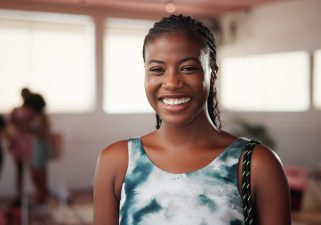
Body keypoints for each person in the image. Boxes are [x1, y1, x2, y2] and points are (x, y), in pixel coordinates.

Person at [93, 14, 291, 225]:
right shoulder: (116, 162)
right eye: (157, 70)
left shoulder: (256, 164)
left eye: (188, 68)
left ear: (212, 73)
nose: (171, 82)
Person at [23, 93, 52, 209]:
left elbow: (42, 134)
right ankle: (40, 199)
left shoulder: (42, 117)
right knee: (35, 175)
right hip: (36, 148)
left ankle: (42, 201)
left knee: (40, 176)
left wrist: (28, 129)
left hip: (41, 149)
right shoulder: (36, 117)